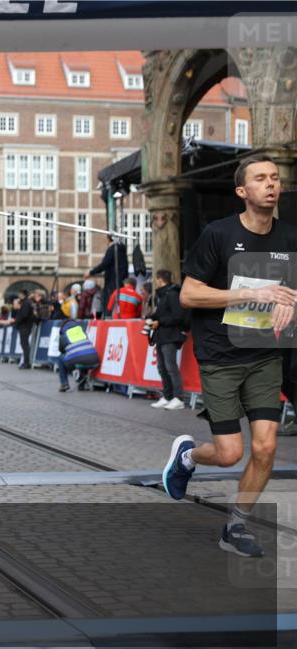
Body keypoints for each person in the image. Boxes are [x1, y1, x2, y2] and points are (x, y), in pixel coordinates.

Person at [162, 154, 295, 558]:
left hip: (266, 354)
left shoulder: (290, 237)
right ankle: (188, 455)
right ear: (242, 191)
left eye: (275, 177)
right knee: (229, 453)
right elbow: (188, 294)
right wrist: (250, 293)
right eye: (260, 178)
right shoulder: (218, 234)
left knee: (267, 447)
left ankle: (236, 527)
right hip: (221, 353)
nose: (270, 184)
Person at [148, 269, 188, 410]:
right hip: (162, 335)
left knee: (170, 367)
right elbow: (161, 314)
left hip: (170, 335)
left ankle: (178, 398)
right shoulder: (163, 295)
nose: (155, 283)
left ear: (160, 280)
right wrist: (151, 318)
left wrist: (160, 322)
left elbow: (177, 316)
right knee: (162, 367)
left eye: (156, 280)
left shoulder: (171, 294)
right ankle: (168, 396)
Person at [85, 235, 129, 318]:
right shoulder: (122, 251)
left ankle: (108, 317)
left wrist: (91, 272)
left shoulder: (112, 249)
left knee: (109, 302)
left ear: (109, 240)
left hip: (112, 281)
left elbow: (104, 264)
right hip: (120, 281)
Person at [56, 317, 100, 392]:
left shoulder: (63, 334)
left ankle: (64, 384)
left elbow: (61, 350)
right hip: (95, 361)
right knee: (82, 355)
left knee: (61, 357)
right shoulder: (82, 331)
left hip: (79, 361)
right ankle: (81, 384)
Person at [14, 290, 35, 369]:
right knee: (24, 344)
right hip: (24, 325)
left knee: (24, 344)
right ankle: (26, 362)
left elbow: (25, 314)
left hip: (25, 325)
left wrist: (18, 320)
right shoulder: (26, 302)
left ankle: (26, 362)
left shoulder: (26, 303)